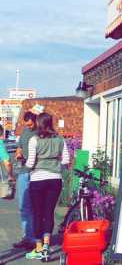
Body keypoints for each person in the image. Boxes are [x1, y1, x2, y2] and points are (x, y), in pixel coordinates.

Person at [25, 112, 69, 261]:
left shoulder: (34, 139)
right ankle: (46, 247)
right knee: (48, 212)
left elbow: (31, 163)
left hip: (38, 179)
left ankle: (38, 248)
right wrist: (55, 165)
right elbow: (66, 160)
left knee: (37, 213)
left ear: (39, 123)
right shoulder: (60, 139)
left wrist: (25, 164)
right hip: (55, 179)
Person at [12, 111, 38, 250]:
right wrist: (18, 153)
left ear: (36, 120)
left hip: (36, 173)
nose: (29, 126)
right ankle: (26, 237)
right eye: (26, 125)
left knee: (35, 206)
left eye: (31, 124)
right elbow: (19, 147)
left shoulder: (41, 133)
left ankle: (35, 239)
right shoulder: (25, 132)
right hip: (23, 172)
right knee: (23, 206)